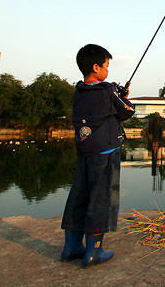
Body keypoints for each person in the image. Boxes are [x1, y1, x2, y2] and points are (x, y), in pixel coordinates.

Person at [60, 43, 135, 267]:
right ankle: (94, 251)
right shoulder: (106, 90)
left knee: (79, 196)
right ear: (95, 67)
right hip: (105, 152)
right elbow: (127, 111)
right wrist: (123, 97)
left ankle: (71, 247)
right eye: (106, 66)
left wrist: (115, 96)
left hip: (84, 151)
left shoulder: (78, 92)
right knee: (101, 199)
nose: (108, 71)